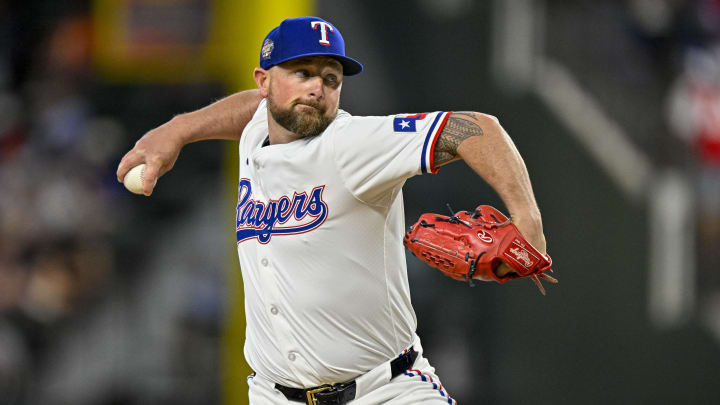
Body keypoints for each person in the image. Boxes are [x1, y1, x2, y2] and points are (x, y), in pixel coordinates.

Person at [117, 16, 548, 405]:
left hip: (384, 392)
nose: (316, 88)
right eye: (301, 73)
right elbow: (252, 109)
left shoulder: (352, 143)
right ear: (264, 81)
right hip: (273, 395)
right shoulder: (257, 133)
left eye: (330, 78)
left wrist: (528, 221)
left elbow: (476, 128)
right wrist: (176, 131)